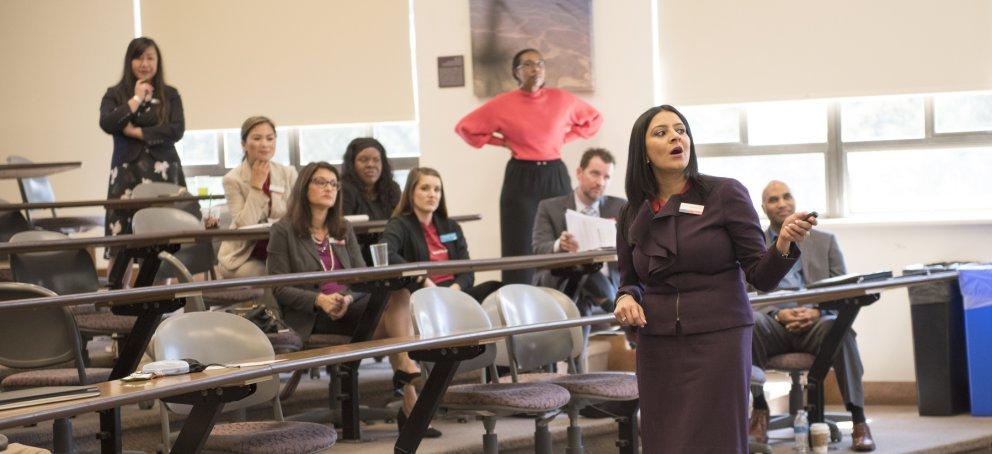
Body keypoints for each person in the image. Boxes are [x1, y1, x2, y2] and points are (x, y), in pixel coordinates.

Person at [612, 105, 817, 453]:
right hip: (658, 341)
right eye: (661, 133)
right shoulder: (632, 211)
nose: (676, 137)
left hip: (719, 336)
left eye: (680, 130)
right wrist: (626, 298)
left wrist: (783, 243)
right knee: (664, 439)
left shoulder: (724, 194)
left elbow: (760, 276)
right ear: (643, 153)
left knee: (716, 437)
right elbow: (630, 280)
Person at [267, 162, 440, 438]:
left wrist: (346, 298)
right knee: (398, 319)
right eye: (321, 182)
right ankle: (408, 390)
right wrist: (320, 300)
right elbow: (278, 288)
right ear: (303, 188)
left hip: (351, 309)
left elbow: (361, 279)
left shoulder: (343, 228)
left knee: (398, 296)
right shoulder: (283, 231)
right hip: (314, 316)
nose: (329, 189)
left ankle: (408, 393)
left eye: (333, 184)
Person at [455, 48, 603, 285]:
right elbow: (466, 128)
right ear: (516, 72)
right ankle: (519, 301)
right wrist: (501, 141)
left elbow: (595, 119)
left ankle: (564, 295)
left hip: (554, 173)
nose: (535, 68)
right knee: (519, 241)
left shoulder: (561, 99)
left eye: (540, 63)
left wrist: (564, 138)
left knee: (562, 235)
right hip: (520, 176)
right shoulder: (503, 104)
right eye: (528, 64)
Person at [749, 180, 874, 451]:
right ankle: (759, 410)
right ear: (764, 208)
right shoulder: (753, 243)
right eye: (773, 199)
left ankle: (859, 420)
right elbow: (744, 293)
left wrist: (817, 311)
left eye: (786, 196)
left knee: (839, 328)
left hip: (816, 323)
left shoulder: (825, 241)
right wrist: (778, 313)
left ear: (794, 201)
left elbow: (844, 292)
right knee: (751, 324)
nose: (781, 203)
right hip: (773, 325)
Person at [100, 37, 186, 238]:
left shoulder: (170, 94)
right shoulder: (115, 94)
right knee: (121, 242)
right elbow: (107, 123)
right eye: (139, 58)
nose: (145, 64)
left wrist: (136, 132)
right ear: (129, 61)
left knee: (170, 237)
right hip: (126, 173)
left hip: (164, 170)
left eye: (150, 58)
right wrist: (136, 99)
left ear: (158, 62)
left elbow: (176, 129)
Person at [381, 167, 502, 303]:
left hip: (454, 291)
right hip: (424, 293)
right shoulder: (399, 224)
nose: (432, 194)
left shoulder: (451, 226)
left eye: (437, 189)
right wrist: (422, 279)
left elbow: (467, 271)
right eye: (425, 188)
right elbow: (386, 253)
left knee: (498, 288)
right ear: (411, 192)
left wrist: (453, 290)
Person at [217, 116, 297, 313]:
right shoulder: (232, 179)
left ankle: (300, 318)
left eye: (270, 138)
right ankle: (273, 323)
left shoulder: (287, 173)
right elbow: (245, 224)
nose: (264, 144)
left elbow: (296, 215)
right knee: (268, 274)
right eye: (257, 138)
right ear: (244, 144)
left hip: (282, 250)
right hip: (244, 256)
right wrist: (256, 186)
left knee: (304, 267)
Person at [532, 147, 624, 319]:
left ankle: (579, 345)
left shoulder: (620, 207)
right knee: (580, 270)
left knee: (582, 297)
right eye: (595, 174)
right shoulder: (549, 207)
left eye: (607, 177)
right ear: (579, 172)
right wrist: (560, 244)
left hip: (606, 282)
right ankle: (613, 308)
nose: (600, 182)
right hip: (560, 279)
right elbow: (538, 249)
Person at [340, 137, 402, 265]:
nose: (370, 165)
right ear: (352, 163)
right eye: (363, 160)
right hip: (356, 257)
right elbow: (343, 229)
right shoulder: (344, 189)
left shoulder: (392, 188)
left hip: (389, 253)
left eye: (376, 160)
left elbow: (400, 223)